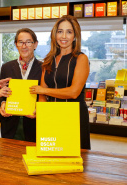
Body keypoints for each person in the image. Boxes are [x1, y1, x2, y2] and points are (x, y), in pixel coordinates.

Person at [30, 15, 91, 149]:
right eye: (60, 31)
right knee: (51, 158)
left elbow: (74, 92)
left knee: (75, 160)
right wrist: (44, 114)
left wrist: (43, 90)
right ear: (55, 35)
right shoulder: (48, 60)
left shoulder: (81, 59)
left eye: (69, 32)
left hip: (74, 117)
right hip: (52, 117)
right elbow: (41, 96)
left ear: (75, 36)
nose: (64, 36)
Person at [0, 28, 42, 142]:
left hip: (34, 124)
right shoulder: (6, 67)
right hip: (11, 123)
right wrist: (2, 103)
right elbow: (2, 92)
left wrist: (41, 108)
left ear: (35, 44)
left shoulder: (44, 68)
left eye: (28, 42)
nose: (24, 46)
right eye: (20, 42)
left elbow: (47, 94)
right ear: (16, 45)